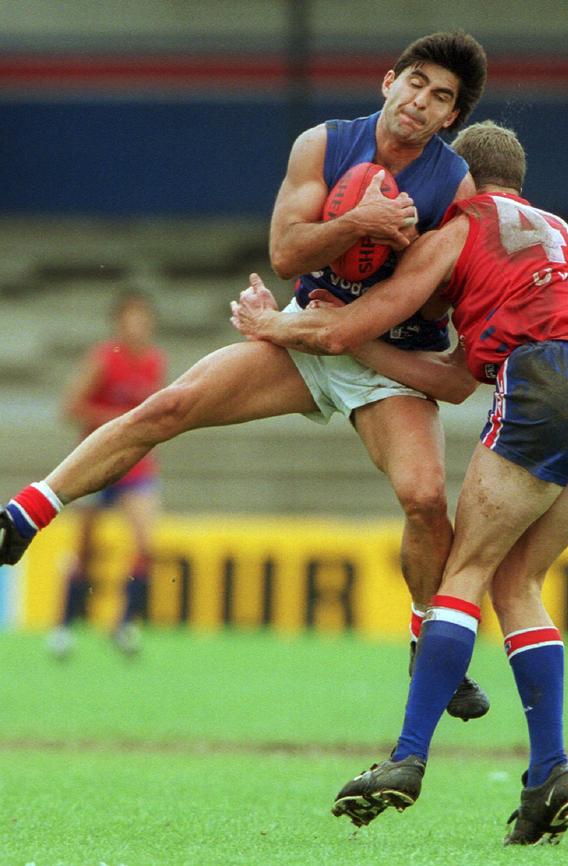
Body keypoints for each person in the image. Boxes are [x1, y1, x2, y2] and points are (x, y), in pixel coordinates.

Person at [0, 32, 489, 719]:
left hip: (386, 354)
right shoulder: (321, 144)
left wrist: (304, 320)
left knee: (425, 498)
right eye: (416, 82)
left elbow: (394, 310)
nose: (421, 101)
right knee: (170, 407)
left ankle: (425, 640)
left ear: (450, 120)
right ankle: (26, 513)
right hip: (306, 335)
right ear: (388, 81)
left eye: (441, 97)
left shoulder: (454, 189)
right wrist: (359, 222)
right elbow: (287, 251)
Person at [230, 121, 568, 846]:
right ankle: (550, 771)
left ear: (456, 171)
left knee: (467, 569)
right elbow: (456, 382)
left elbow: (346, 328)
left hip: (551, 378)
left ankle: (407, 759)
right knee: (519, 579)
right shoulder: (558, 230)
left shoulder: (458, 225)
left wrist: (276, 325)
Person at [47, 291, 166, 657]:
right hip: (97, 465)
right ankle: (64, 627)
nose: (138, 326)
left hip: (136, 467)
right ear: (119, 324)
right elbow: (70, 407)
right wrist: (117, 421)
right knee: (86, 549)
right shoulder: (103, 359)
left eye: (143, 319)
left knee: (147, 544)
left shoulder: (153, 362)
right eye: (131, 319)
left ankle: (125, 624)